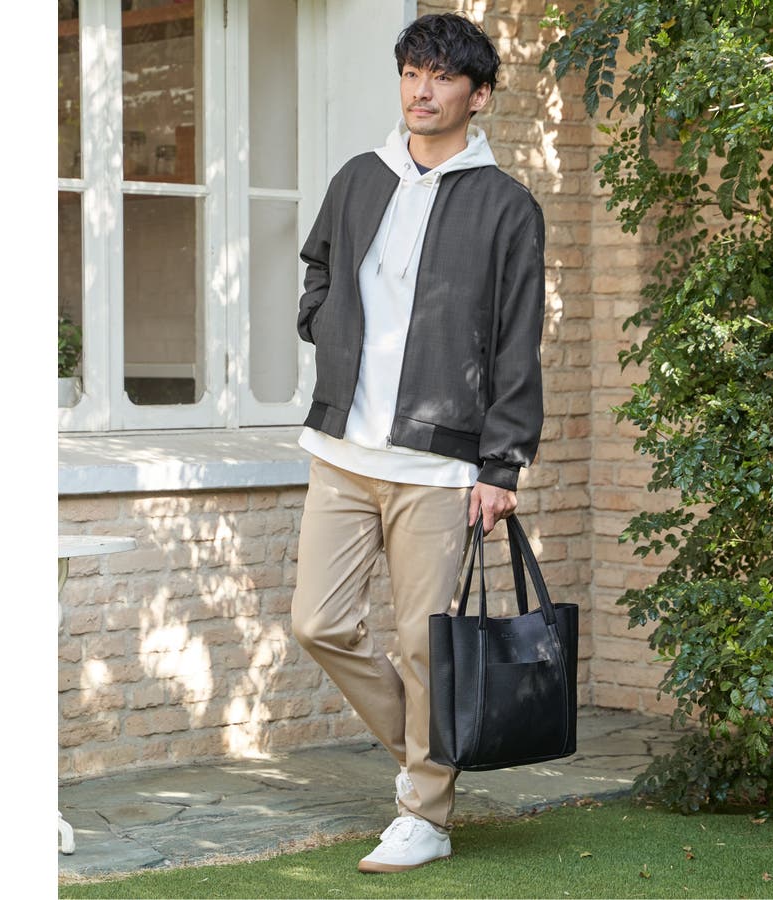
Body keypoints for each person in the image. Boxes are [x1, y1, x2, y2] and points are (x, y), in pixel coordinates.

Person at [291, 12, 545, 873]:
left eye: (441, 76)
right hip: (342, 449)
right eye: (410, 73)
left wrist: (502, 464)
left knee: (424, 645)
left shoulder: (507, 207)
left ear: (479, 95)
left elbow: (517, 342)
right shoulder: (360, 178)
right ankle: (430, 756)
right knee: (319, 623)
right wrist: (321, 323)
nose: (421, 91)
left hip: (439, 466)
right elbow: (320, 266)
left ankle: (425, 816)